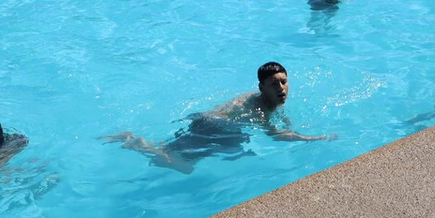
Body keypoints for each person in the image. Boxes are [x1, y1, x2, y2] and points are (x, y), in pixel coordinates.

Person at [102, 62, 332, 174]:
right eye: (274, 84)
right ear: (261, 87)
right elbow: (274, 134)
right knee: (181, 166)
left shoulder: (267, 100)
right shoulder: (257, 106)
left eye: (284, 81)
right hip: (214, 127)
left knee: (177, 157)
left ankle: (140, 143)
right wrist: (312, 139)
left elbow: (278, 119)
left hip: (219, 126)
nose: (281, 88)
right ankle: (136, 142)